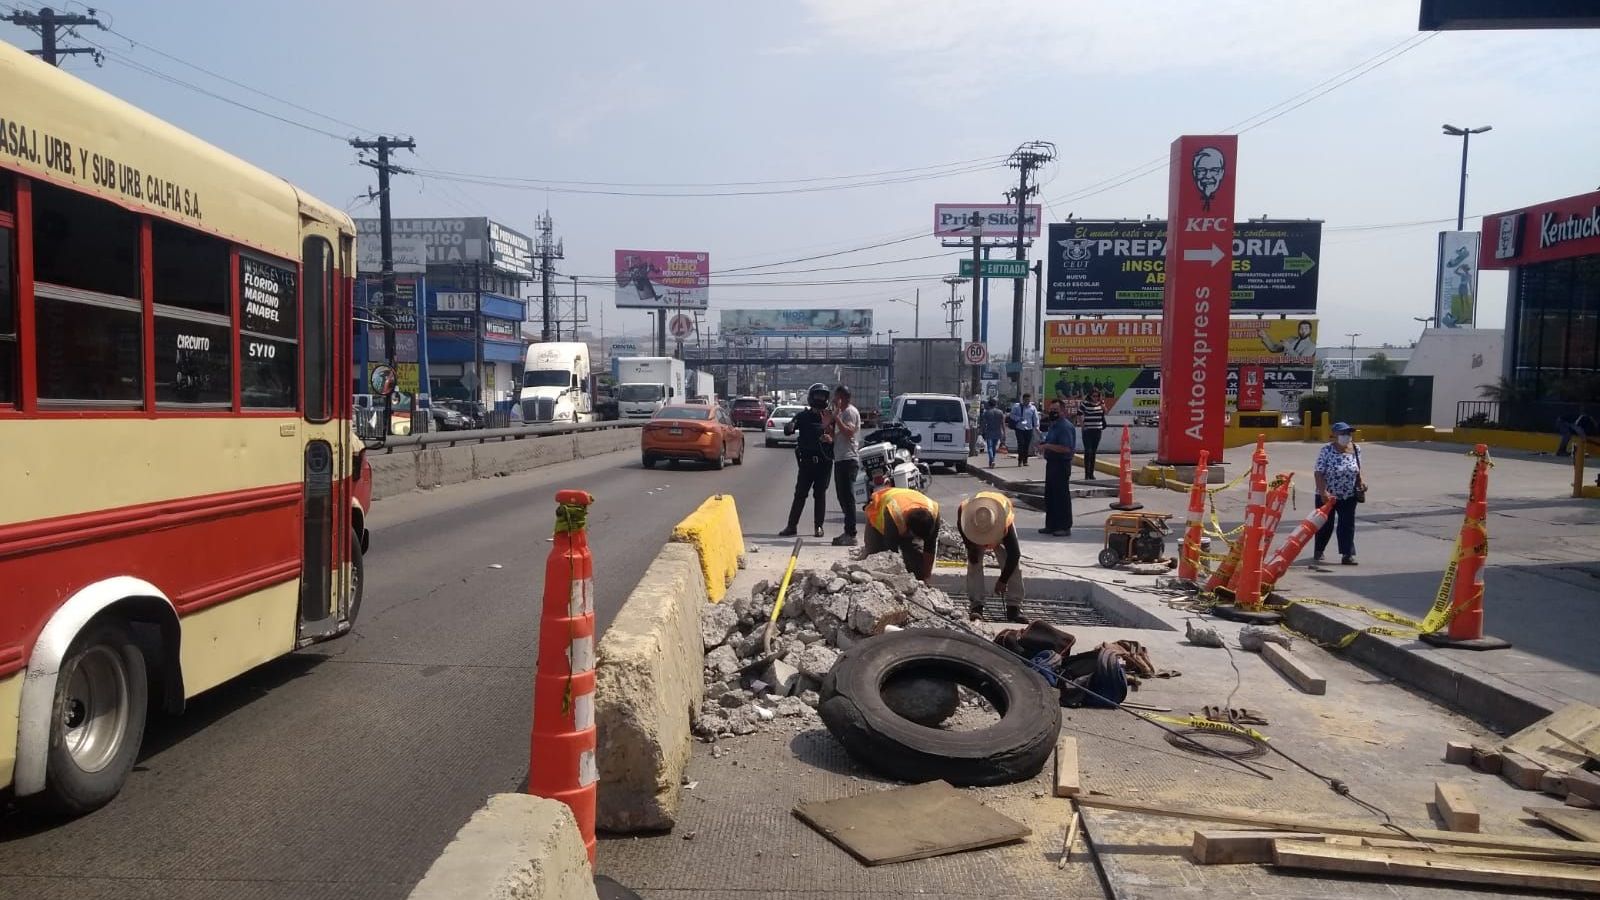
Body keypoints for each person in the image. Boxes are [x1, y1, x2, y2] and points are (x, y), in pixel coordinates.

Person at [958, 491, 1025, 622]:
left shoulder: (1005, 522)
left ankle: (1014, 606)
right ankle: (976, 606)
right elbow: (961, 527)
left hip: (999, 523)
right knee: (974, 564)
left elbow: (1015, 555)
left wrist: (1003, 580)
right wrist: (970, 547)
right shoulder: (965, 512)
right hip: (976, 526)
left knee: (1011, 564)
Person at [779, 383, 832, 538]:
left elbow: (838, 437)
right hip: (807, 462)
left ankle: (819, 527)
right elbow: (789, 430)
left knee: (820, 494)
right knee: (800, 494)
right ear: (811, 397)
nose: (820, 399)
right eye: (817, 396)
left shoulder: (829, 417)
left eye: (822, 396)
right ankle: (791, 526)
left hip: (824, 462)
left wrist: (829, 438)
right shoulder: (803, 416)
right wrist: (790, 426)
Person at [1313, 421, 1366, 566]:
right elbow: (1318, 472)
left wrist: (1361, 484)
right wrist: (1323, 492)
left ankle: (1347, 554)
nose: (1346, 436)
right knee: (1325, 524)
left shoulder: (1356, 449)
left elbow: (1358, 469)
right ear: (1334, 435)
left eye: (1348, 433)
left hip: (1348, 495)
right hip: (1327, 495)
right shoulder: (1326, 450)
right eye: (1343, 433)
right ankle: (1319, 550)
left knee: (1347, 524)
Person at [864, 486, 940, 582]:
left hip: (905, 504)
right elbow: (891, 552)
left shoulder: (934, 512)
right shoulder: (894, 513)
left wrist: (926, 577)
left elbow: (930, 547)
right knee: (875, 557)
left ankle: (918, 580)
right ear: (908, 529)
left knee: (915, 560)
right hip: (878, 515)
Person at [826, 384, 862, 546]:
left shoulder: (850, 412)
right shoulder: (840, 413)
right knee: (841, 496)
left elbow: (849, 433)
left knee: (848, 497)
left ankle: (851, 534)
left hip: (849, 459)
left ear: (844, 398)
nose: (834, 399)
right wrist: (829, 437)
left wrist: (837, 418)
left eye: (837, 397)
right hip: (839, 458)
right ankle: (847, 531)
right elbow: (837, 436)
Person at [1037, 400, 1076, 537]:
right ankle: (1051, 525)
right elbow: (1051, 442)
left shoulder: (1065, 427)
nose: (1052, 412)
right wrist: (1044, 445)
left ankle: (1064, 527)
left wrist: (1047, 446)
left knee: (1061, 496)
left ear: (1062, 411)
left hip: (1061, 464)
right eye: (1051, 409)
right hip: (1052, 464)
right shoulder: (1053, 425)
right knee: (1051, 495)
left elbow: (1065, 448)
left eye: (1056, 410)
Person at [1077, 389, 1106, 479]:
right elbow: (1079, 414)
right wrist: (1083, 426)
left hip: (1097, 430)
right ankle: (1087, 473)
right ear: (1090, 396)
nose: (1095, 398)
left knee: (1093, 452)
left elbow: (1105, 412)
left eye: (1097, 396)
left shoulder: (1100, 403)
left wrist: (1102, 405)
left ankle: (1091, 473)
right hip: (1088, 430)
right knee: (1088, 451)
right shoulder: (1085, 404)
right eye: (1094, 396)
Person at [1010, 393, 1039, 467]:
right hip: (1019, 428)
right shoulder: (1017, 406)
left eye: (1028, 400)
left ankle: (1025, 461)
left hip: (1029, 428)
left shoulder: (1032, 408)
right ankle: (1020, 461)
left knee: (1027, 445)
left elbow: (1035, 418)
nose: (1027, 401)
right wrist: (1019, 418)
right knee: (1021, 444)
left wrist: (1037, 426)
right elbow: (1012, 415)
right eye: (1026, 400)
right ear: (1023, 400)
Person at [980, 398, 1005, 468]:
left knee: (989, 447)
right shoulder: (1000, 412)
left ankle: (992, 459)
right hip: (998, 431)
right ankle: (991, 461)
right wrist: (1004, 432)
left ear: (989, 404)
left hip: (989, 431)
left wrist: (981, 431)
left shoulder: (987, 413)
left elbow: (984, 423)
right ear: (995, 404)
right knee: (994, 447)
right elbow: (1002, 423)